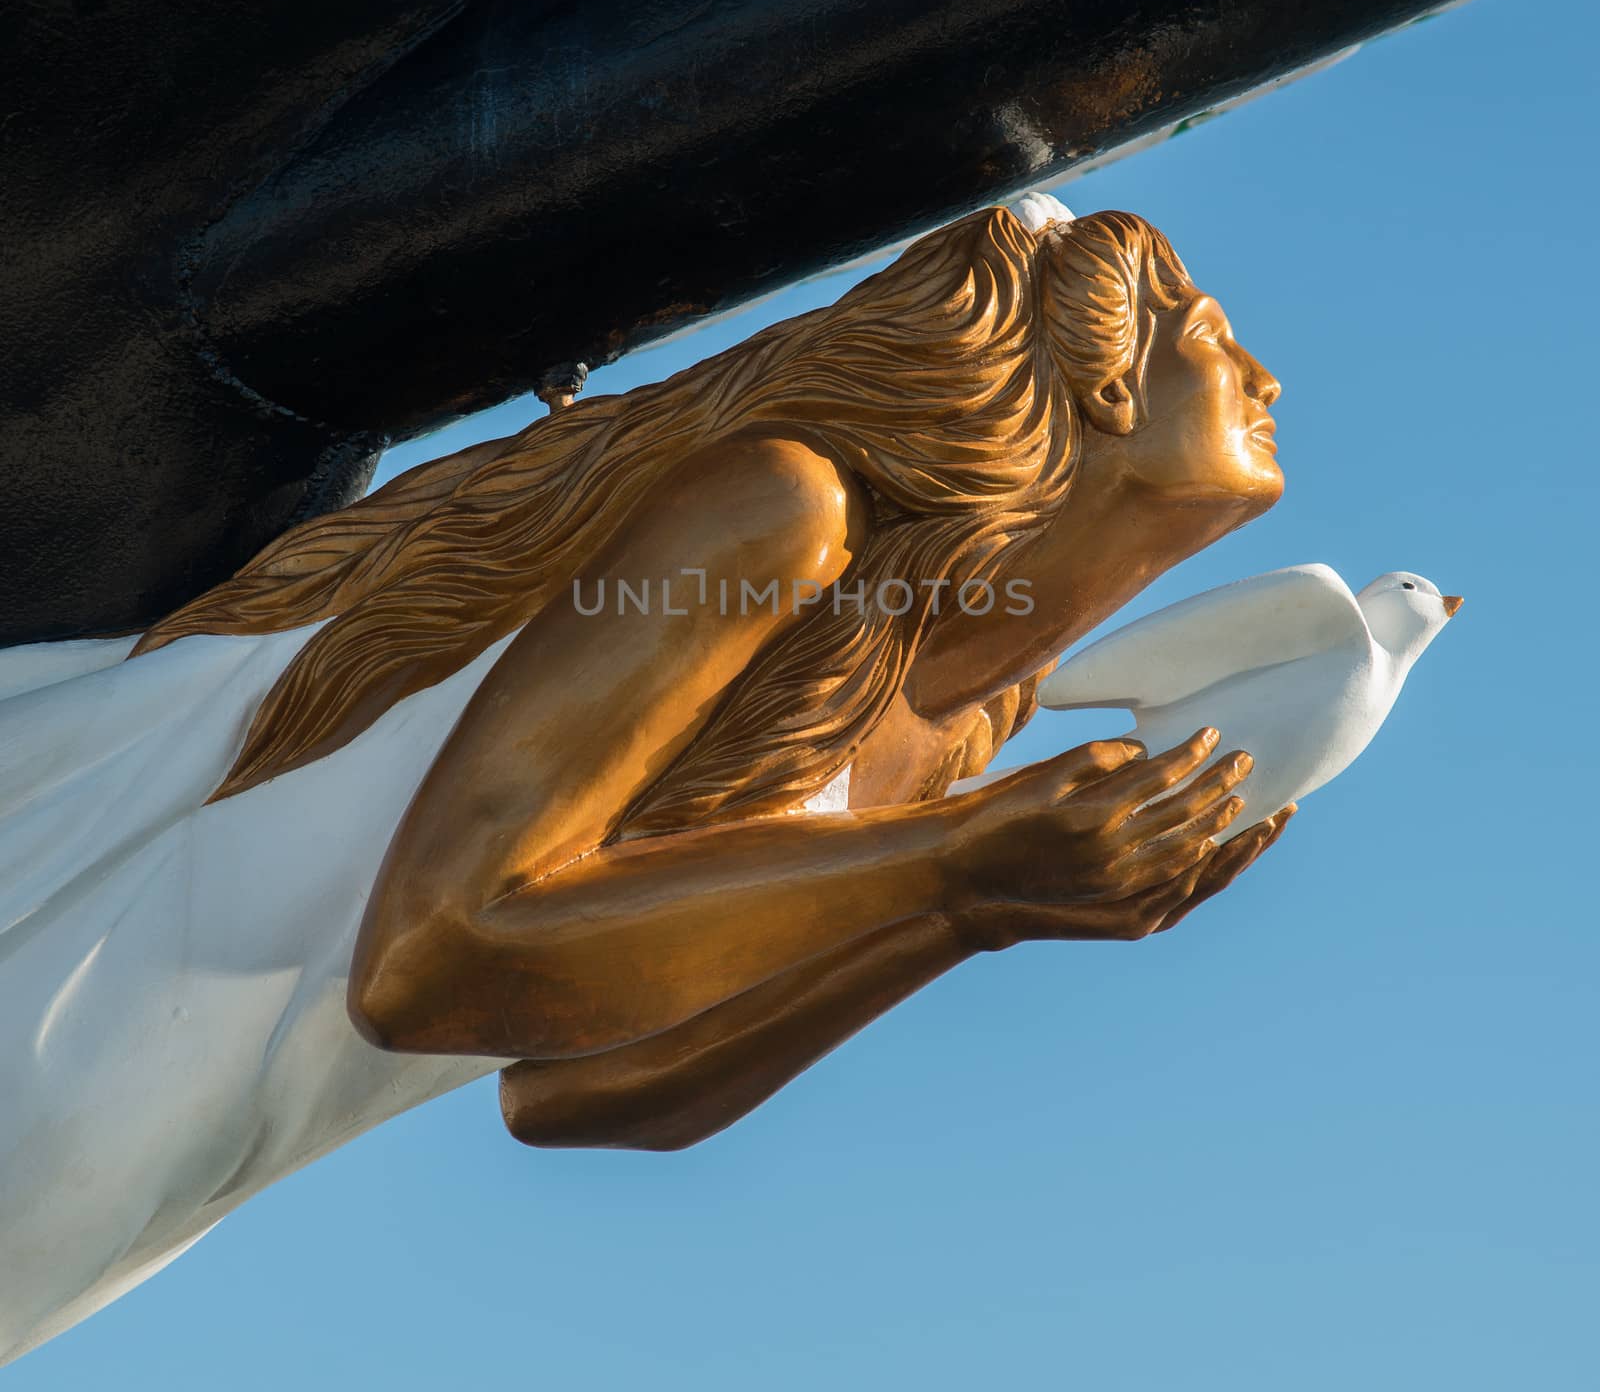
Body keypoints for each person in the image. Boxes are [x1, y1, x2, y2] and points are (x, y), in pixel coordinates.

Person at [0, 199, 1293, 1361]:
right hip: (66, 1029)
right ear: (1098, 375)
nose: (1266, 376)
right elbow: (433, 960)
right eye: (1218, 341)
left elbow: (586, 1091)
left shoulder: (945, 727)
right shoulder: (780, 513)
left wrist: (974, 914)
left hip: (160, 1174)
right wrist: (950, 866)